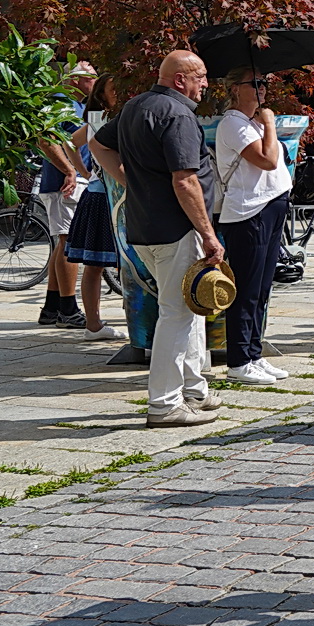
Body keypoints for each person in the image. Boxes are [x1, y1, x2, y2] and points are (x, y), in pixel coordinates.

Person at [89, 50, 223, 428]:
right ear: (180, 79)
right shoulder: (178, 114)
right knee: (176, 314)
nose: (205, 84)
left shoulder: (136, 105)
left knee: (189, 307)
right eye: (200, 76)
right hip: (176, 228)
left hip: (144, 226)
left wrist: (129, 181)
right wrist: (208, 235)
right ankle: (164, 404)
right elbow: (185, 181)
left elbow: (97, 144)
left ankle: (194, 390)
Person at [216, 67, 293, 386]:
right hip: (249, 211)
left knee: (262, 288)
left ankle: (253, 353)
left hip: (271, 204)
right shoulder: (233, 123)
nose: (262, 88)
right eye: (255, 83)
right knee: (246, 288)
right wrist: (271, 124)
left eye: (264, 83)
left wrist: (265, 124)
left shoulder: (251, 122)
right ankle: (238, 360)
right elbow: (267, 160)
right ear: (235, 88)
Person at [34, 60, 97, 329]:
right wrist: (70, 170)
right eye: (91, 78)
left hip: (71, 180)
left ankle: (52, 307)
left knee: (63, 243)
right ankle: (68, 309)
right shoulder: (60, 103)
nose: (95, 82)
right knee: (68, 242)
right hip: (64, 183)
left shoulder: (78, 105)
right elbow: (46, 140)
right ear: (75, 80)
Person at [64, 74, 125, 342]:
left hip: (111, 194)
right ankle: (94, 323)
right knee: (96, 264)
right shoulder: (100, 121)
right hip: (103, 196)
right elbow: (69, 143)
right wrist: (85, 172)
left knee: (121, 263)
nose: (120, 93)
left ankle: (125, 318)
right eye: (115, 90)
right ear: (102, 96)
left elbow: (70, 143)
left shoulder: (107, 119)